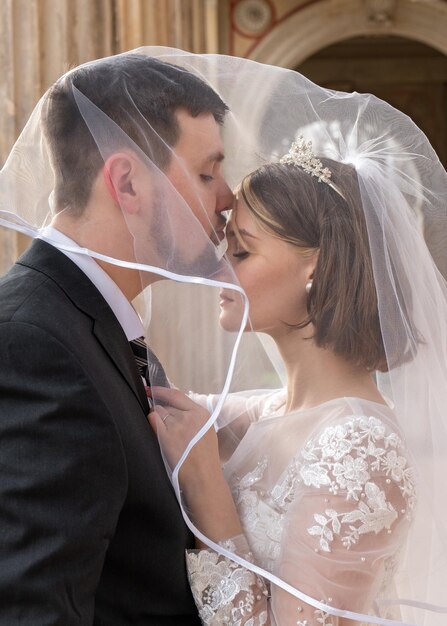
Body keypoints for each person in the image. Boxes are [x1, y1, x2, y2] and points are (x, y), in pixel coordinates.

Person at [135, 50, 447, 626]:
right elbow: (148, 405)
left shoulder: (359, 448)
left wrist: (208, 487)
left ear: (316, 267)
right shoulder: (261, 415)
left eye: (242, 251)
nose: (216, 268)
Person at [0, 51, 234, 624]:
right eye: (206, 173)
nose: (228, 198)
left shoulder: (96, 324)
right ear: (127, 182)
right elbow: (36, 606)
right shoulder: (34, 345)